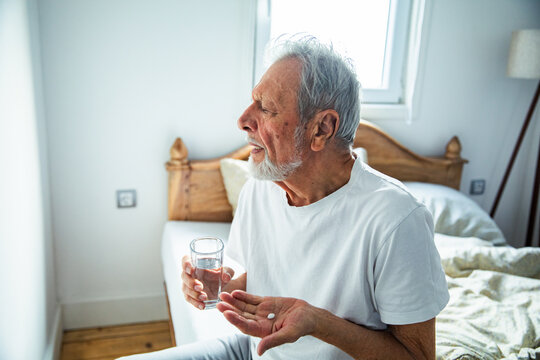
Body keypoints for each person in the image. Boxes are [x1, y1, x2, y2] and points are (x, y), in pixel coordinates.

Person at [119, 36, 449, 360]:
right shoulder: (259, 188)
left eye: (266, 109)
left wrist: (319, 323)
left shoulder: (397, 220)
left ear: (321, 129)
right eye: (252, 102)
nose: (243, 120)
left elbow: (416, 356)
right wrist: (221, 287)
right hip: (248, 352)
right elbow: (269, 272)